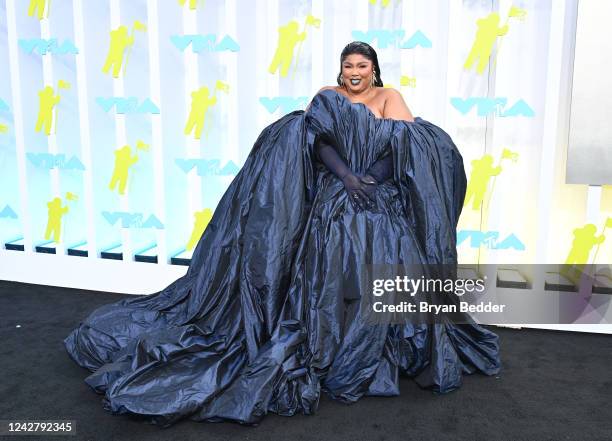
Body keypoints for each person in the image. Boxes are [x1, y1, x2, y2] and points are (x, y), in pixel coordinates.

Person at [64, 41, 501, 428]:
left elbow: (408, 144)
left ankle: (380, 348)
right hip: (336, 191)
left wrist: (369, 179)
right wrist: (347, 176)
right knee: (328, 263)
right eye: (348, 64)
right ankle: (328, 346)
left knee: (387, 256)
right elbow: (315, 143)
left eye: (362, 65)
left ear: (374, 69)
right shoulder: (325, 97)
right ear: (340, 69)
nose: (354, 71)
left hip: (377, 193)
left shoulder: (391, 97)